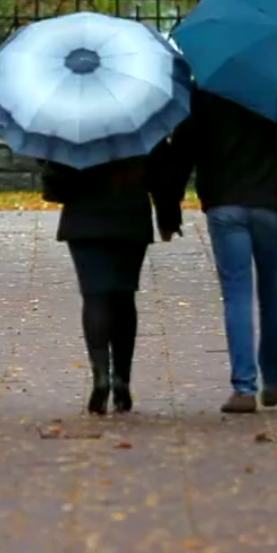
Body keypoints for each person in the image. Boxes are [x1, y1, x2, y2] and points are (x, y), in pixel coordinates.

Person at [166, 88, 277, 413]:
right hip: (274, 203)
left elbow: (183, 149)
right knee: (273, 293)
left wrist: (168, 209)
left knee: (237, 294)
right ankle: (274, 379)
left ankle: (244, 388)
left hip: (225, 202)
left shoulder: (208, 87)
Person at [41, 143, 182, 415]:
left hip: (84, 222)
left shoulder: (72, 128)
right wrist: (168, 218)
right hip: (130, 219)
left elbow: (55, 188)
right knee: (124, 295)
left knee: (94, 296)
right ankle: (121, 378)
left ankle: (100, 377)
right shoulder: (142, 122)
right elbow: (164, 175)